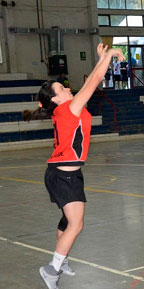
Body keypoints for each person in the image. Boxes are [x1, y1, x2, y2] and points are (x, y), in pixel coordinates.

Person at [23, 43, 125, 289]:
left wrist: (101, 57)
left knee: (68, 222)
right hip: (63, 177)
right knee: (76, 224)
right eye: (61, 87)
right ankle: (52, 269)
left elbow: (92, 81)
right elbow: (96, 80)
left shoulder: (64, 108)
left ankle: (62, 260)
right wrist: (109, 56)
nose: (66, 88)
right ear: (56, 98)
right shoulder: (69, 108)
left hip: (65, 174)